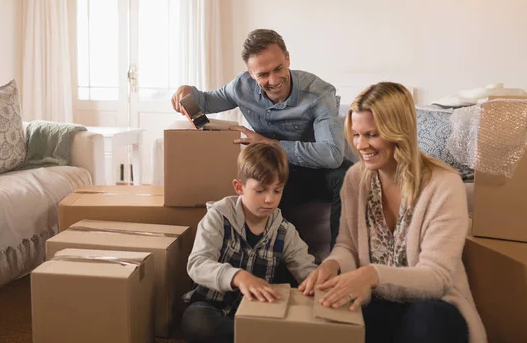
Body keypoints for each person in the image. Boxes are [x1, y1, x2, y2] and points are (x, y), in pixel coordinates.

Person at [298, 82, 487, 343]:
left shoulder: (444, 184)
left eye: (372, 134)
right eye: (356, 134)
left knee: (425, 318)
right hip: (377, 302)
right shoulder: (356, 178)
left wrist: (370, 275)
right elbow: (347, 246)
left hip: (436, 308)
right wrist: (332, 264)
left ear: (399, 131)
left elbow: (437, 278)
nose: (361, 145)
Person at [171, 29, 352, 255]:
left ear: (287, 58)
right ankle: (269, 264)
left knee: (347, 175)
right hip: (272, 173)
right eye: (263, 75)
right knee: (258, 180)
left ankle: (338, 262)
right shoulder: (241, 87)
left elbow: (332, 154)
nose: (274, 81)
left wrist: (269, 143)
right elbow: (206, 101)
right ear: (251, 73)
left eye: (278, 69)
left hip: (313, 171)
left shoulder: (318, 92)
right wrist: (187, 92)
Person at [181, 142, 317, 343]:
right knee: (196, 322)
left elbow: (306, 268)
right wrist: (238, 277)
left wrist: (321, 284)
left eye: (277, 191)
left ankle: (254, 335)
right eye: (260, 191)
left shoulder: (284, 230)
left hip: (260, 311)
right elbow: (197, 264)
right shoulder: (218, 217)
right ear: (239, 187)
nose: (269, 199)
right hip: (212, 306)